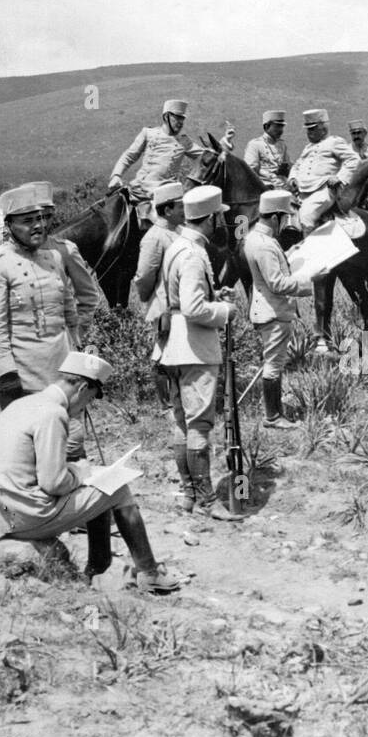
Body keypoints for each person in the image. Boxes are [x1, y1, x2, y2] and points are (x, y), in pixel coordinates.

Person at [0, 351, 182, 594]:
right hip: (26, 515)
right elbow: (53, 483)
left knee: (97, 486)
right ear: (82, 388)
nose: (85, 407)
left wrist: (79, 474)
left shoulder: (21, 405)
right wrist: (80, 474)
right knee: (117, 488)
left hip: (2, 512)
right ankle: (147, 572)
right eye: (90, 399)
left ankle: (99, 566)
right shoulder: (53, 413)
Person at [156, 184, 243, 520]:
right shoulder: (193, 254)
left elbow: (181, 296)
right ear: (208, 220)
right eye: (218, 218)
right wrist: (224, 311)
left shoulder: (179, 246)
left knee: (182, 422)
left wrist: (212, 293)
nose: (221, 224)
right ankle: (207, 501)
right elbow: (192, 308)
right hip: (194, 346)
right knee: (199, 425)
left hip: (174, 346)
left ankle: (190, 495)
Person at [0, 185, 79, 412]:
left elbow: (70, 315)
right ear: (9, 225)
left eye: (41, 218)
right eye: (28, 221)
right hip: (20, 379)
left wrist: (80, 358)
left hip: (60, 373)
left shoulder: (54, 258)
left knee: (70, 443)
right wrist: (6, 377)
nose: (39, 226)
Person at [244, 189, 326, 428]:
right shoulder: (266, 245)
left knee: (275, 362)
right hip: (273, 310)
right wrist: (309, 279)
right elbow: (277, 283)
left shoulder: (256, 239)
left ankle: (275, 412)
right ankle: (273, 416)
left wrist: (289, 254)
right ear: (274, 216)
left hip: (268, 309)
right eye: (284, 217)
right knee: (273, 364)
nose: (287, 222)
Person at [27, 180, 103, 345]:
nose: (42, 223)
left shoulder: (65, 250)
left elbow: (88, 296)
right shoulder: (7, 254)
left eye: (47, 216)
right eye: (34, 217)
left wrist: (75, 334)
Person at [133, 180, 185, 406]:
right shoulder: (154, 237)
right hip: (164, 307)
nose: (185, 210)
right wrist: (151, 301)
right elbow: (144, 276)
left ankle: (177, 397)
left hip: (180, 305)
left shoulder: (178, 232)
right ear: (168, 209)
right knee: (163, 354)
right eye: (180, 206)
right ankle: (166, 403)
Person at [108, 98, 197, 224]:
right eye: (177, 118)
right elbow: (129, 156)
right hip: (138, 189)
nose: (181, 122)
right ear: (166, 117)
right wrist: (116, 175)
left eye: (182, 119)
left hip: (164, 196)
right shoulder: (148, 133)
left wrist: (225, 143)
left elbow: (207, 156)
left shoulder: (184, 141)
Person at [287, 109, 359, 235]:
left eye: (312, 129)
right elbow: (297, 165)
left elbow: (354, 159)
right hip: (302, 191)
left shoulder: (334, 142)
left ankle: (310, 251)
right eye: (308, 129)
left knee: (306, 214)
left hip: (324, 190)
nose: (308, 133)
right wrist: (293, 178)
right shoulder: (308, 147)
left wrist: (340, 177)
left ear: (323, 128)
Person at [244, 111, 291, 190]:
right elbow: (250, 171)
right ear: (266, 126)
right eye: (277, 126)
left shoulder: (282, 145)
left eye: (282, 127)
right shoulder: (255, 144)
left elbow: (288, 166)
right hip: (264, 186)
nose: (281, 130)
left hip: (283, 185)